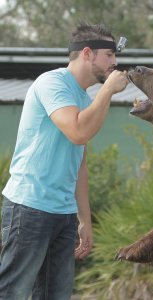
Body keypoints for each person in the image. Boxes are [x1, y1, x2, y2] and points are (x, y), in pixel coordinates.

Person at [0, 22, 128, 299]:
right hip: (30, 206)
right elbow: (78, 132)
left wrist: (84, 219)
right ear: (86, 53)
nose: (115, 63)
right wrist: (106, 92)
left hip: (64, 213)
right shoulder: (52, 83)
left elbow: (79, 163)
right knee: (13, 293)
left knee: (55, 295)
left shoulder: (84, 98)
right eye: (109, 55)